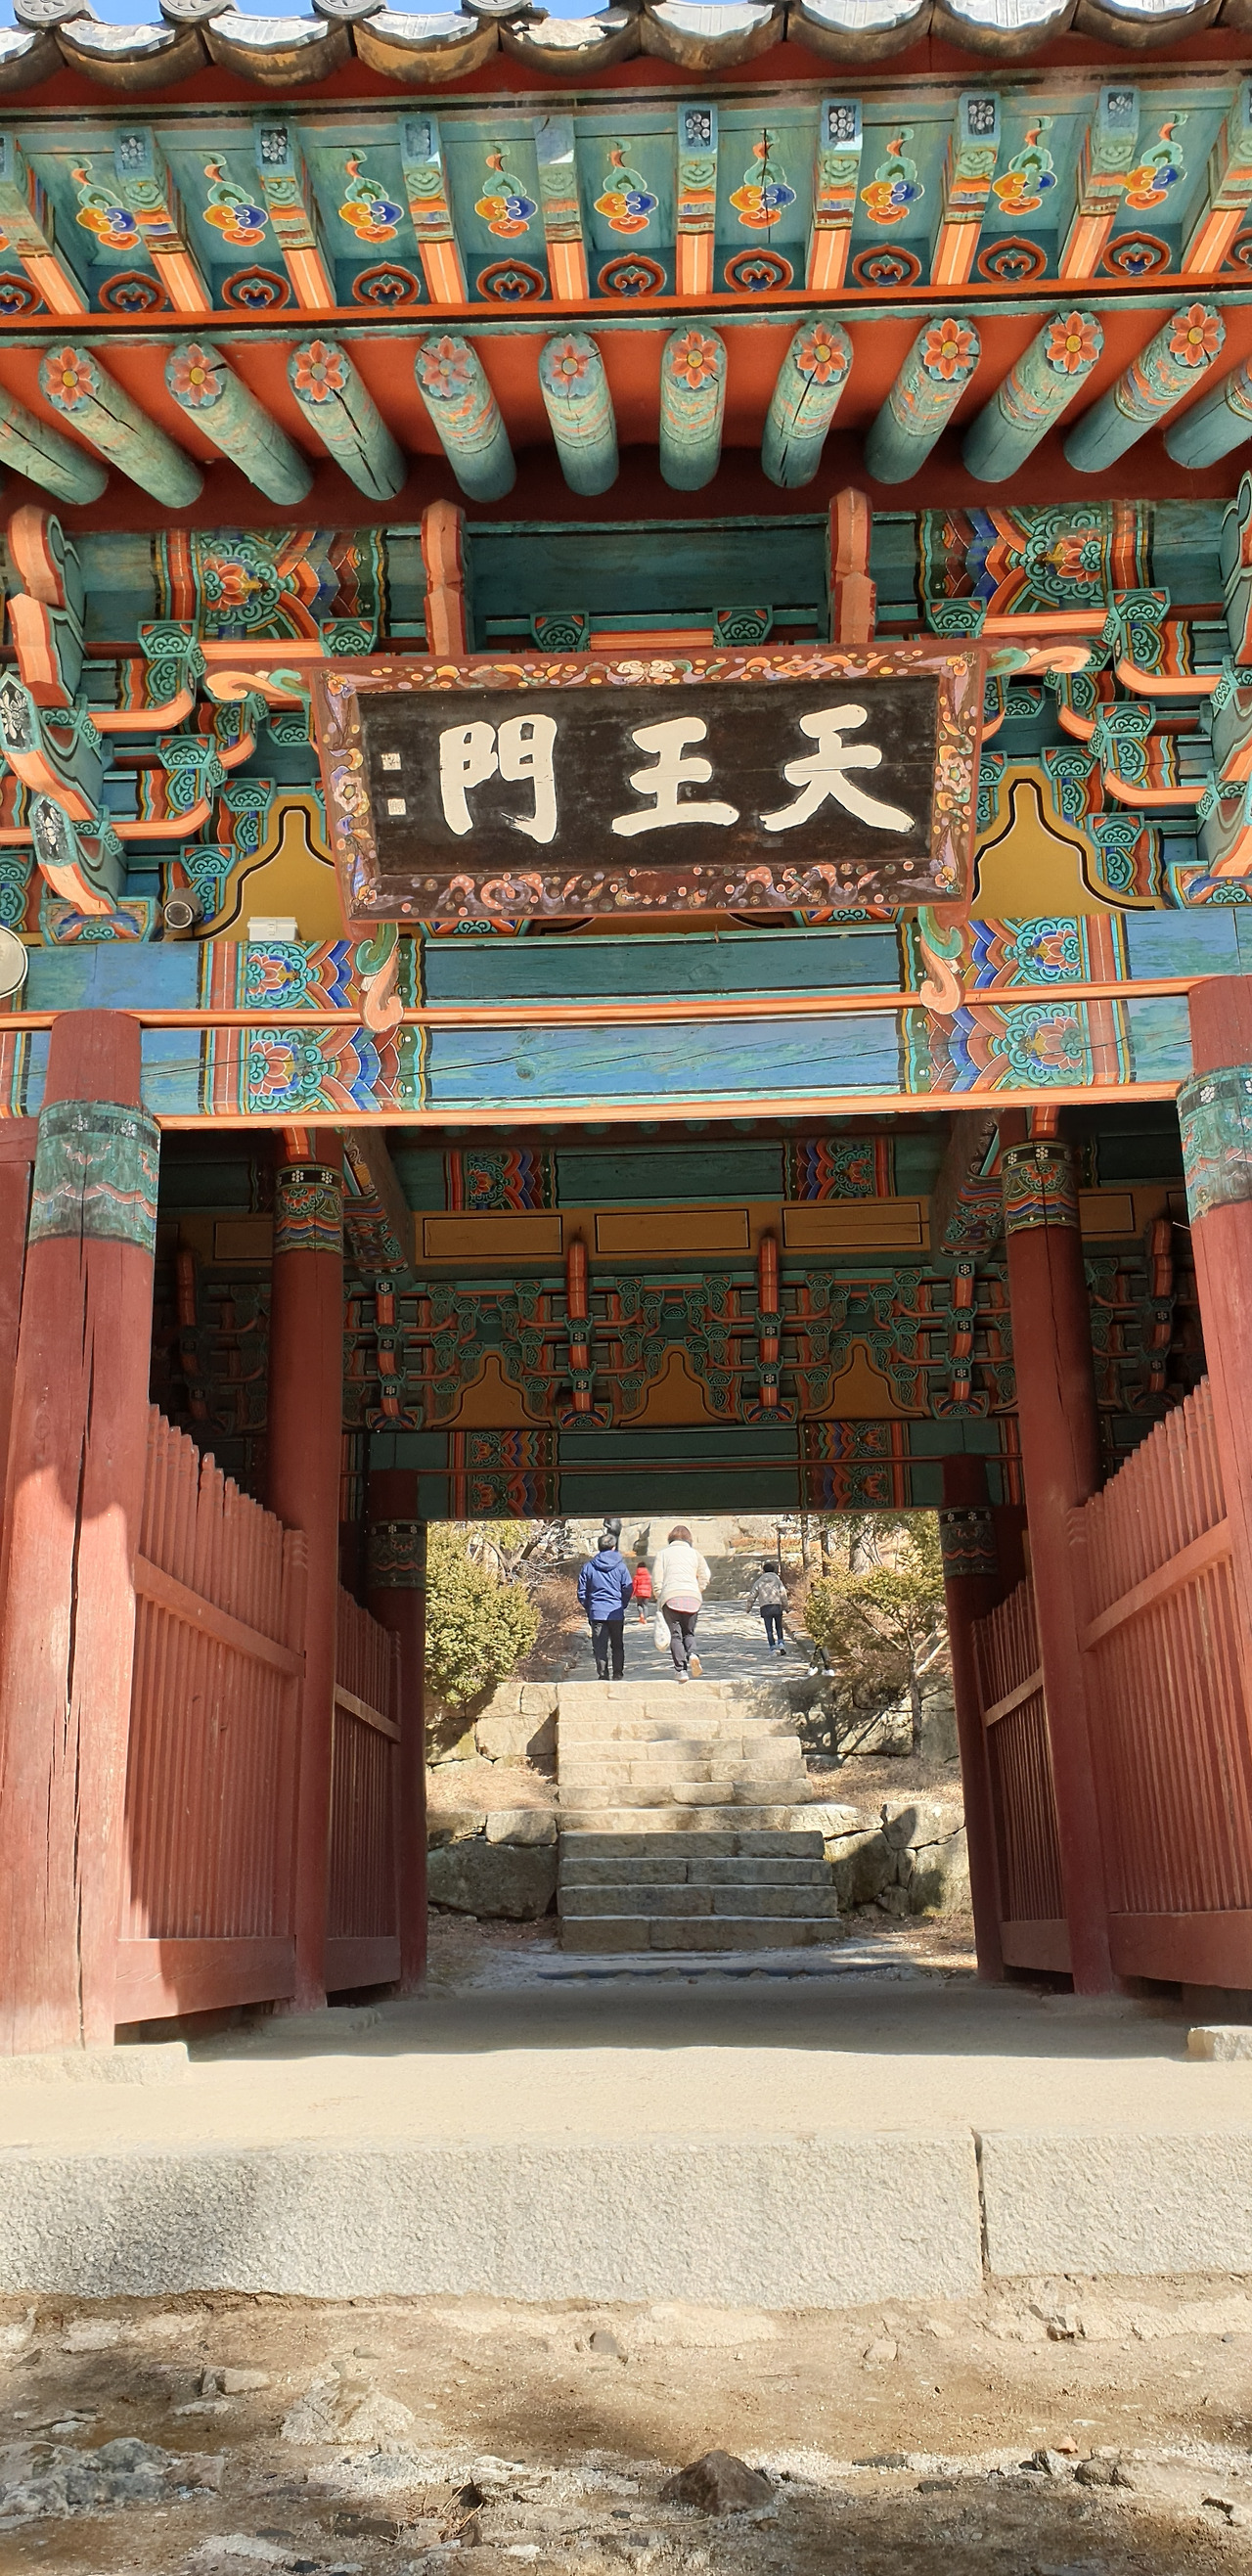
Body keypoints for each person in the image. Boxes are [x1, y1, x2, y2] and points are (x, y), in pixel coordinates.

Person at [649, 1523, 711, 1681]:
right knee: (689, 1633)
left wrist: (660, 1596)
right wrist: (698, 1589)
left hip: (671, 1597)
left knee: (675, 1636)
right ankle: (693, 1654)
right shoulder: (695, 1554)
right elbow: (705, 1575)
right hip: (692, 1597)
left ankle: (681, 1671)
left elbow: (657, 1579)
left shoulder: (662, 1554)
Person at [576, 1523, 633, 1680]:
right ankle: (618, 1673)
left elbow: (581, 1592)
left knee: (599, 1646)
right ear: (614, 1547)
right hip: (615, 1611)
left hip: (597, 1611)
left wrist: (590, 1606)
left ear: (599, 1547)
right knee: (617, 1644)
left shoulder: (589, 1567)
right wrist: (622, 1604)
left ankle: (603, 1674)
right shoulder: (621, 1567)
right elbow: (628, 1588)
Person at [745, 1560, 788, 1655]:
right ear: (773, 1570)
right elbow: (783, 1594)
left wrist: (748, 1608)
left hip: (765, 1607)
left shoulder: (759, 1581)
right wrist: (786, 1607)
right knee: (779, 1627)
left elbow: (752, 1595)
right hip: (776, 1605)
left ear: (763, 1571)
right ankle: (781, 1644)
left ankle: (772, 1648)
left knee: (769, 1629)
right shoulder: (777, 1580)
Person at [631, 1559, 653, 1625]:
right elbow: (651, 1584)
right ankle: (645, 1619)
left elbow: (634, 1586)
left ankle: (641, 1614)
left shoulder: (636, 1577)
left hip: (639, 1593)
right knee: (645, 1606)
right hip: (647, 1593)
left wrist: (632, 1594)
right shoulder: (649, 1576)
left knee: (639, 1605)